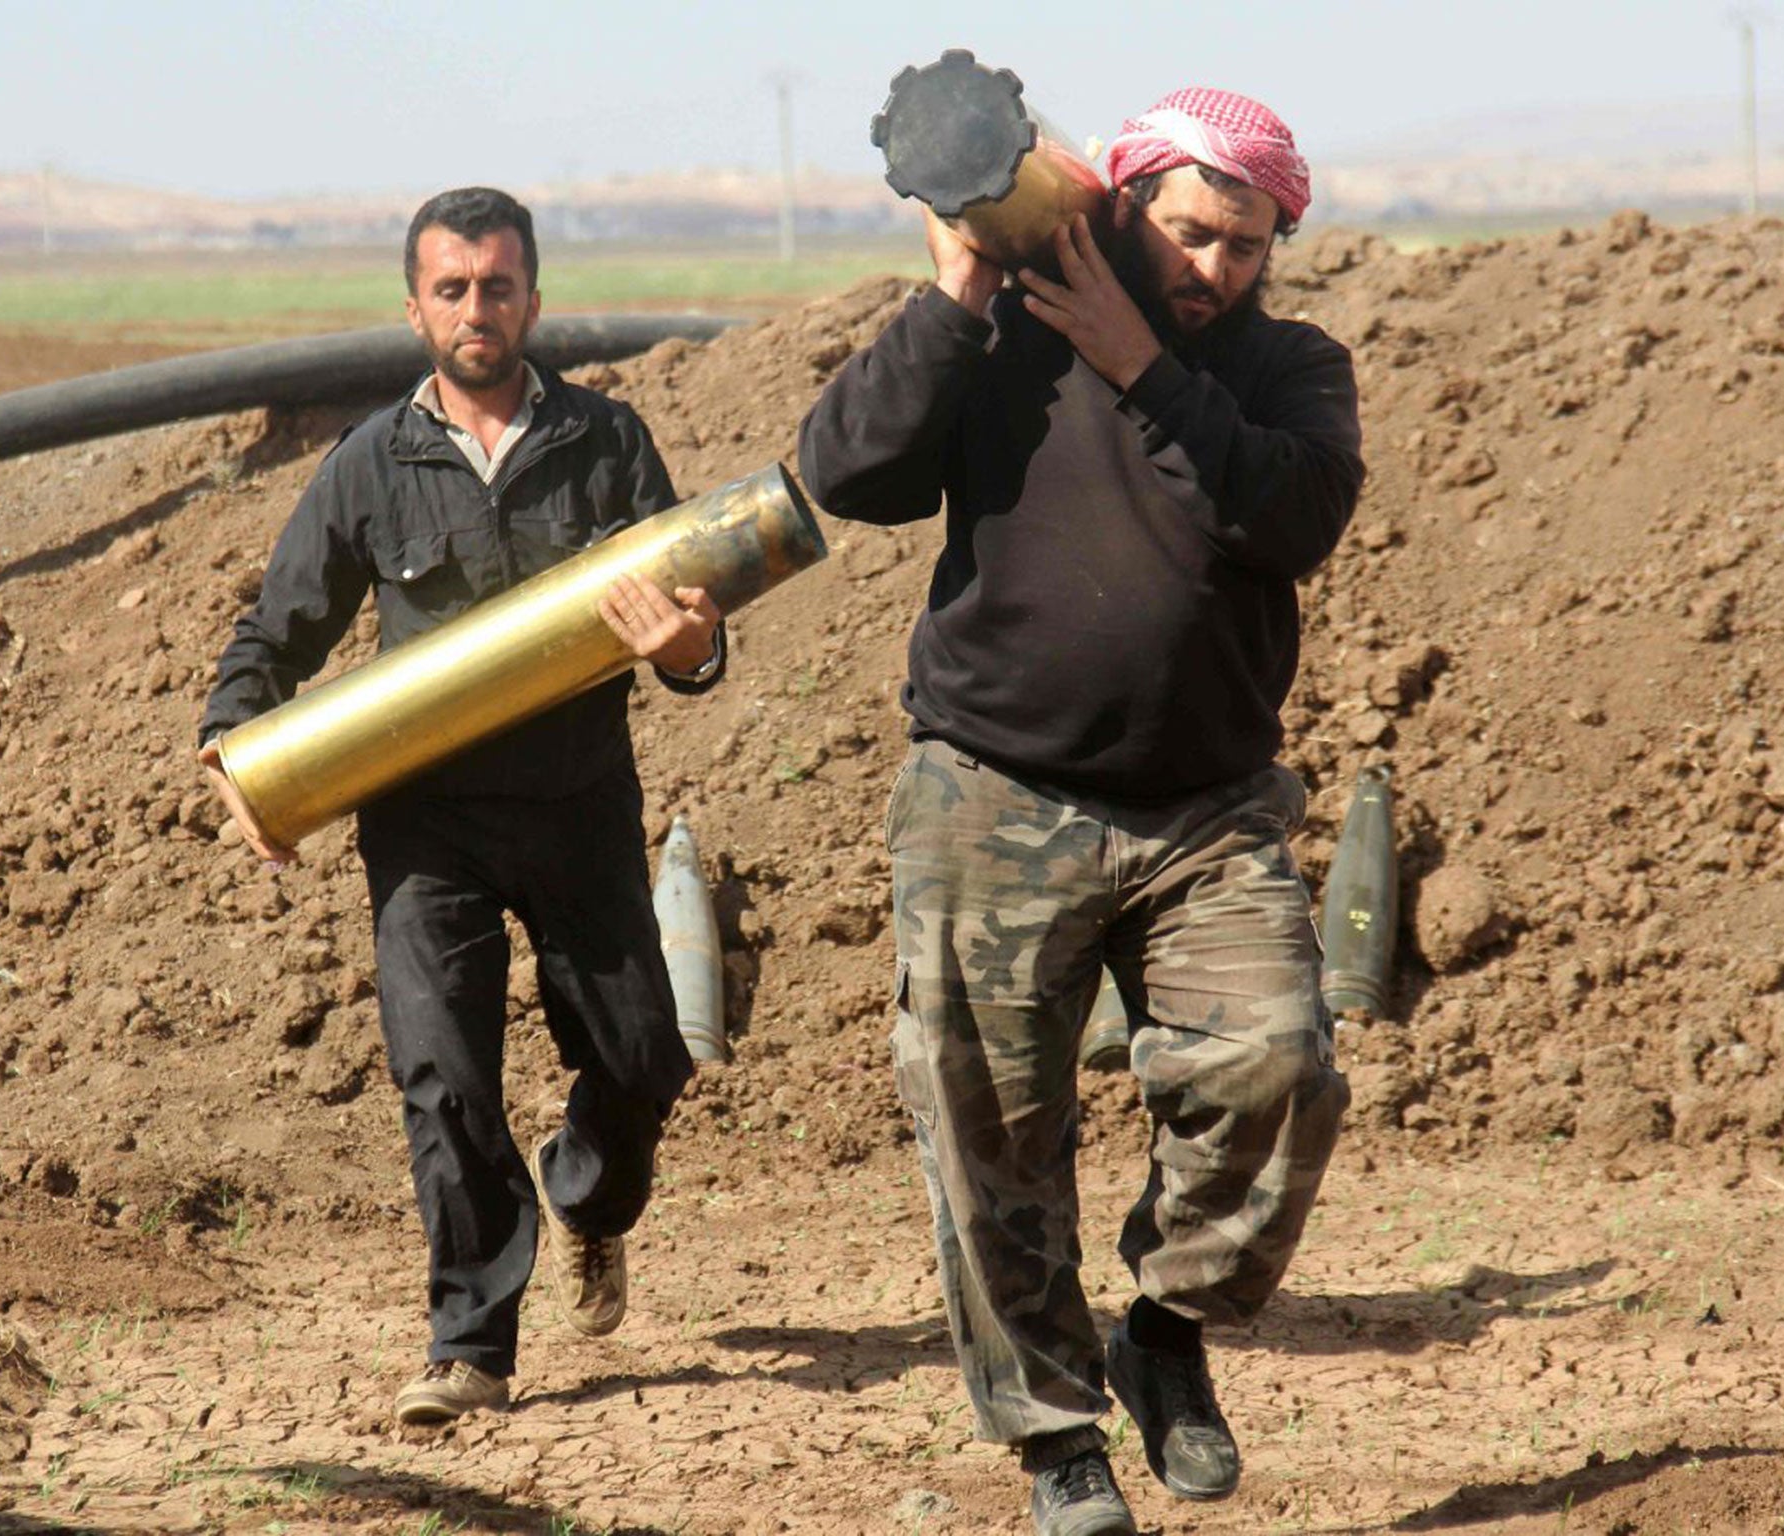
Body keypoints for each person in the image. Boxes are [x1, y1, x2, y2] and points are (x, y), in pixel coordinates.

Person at [798, 89, 1363, 1535]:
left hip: (1208, 814)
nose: (1215, 267)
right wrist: (954, 301)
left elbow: (1290, 517)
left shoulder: (1293, 366)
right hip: (994, 793)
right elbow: (850, 474)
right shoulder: (1001, 336)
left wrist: (1149, 369)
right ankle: (1056, 1440)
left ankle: (1162, 1334)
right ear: (1124, 203)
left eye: (1247, 243)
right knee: (990, 1140)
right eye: (1188, 231)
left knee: (1279, 1070)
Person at [198, 186, 724, 1428]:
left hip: (579, 801)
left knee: (643, 1052)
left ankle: (590, 1203)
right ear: (415, 306)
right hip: (424, 821)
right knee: (443, 1074)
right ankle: (469, 1342)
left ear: (533, 300)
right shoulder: (370, 465)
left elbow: (697, 637)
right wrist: (231, 751)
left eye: (497, 285)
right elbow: (276, 632)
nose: (475, 308)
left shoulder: (608, 444)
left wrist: (686, 649)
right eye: (451, 287)